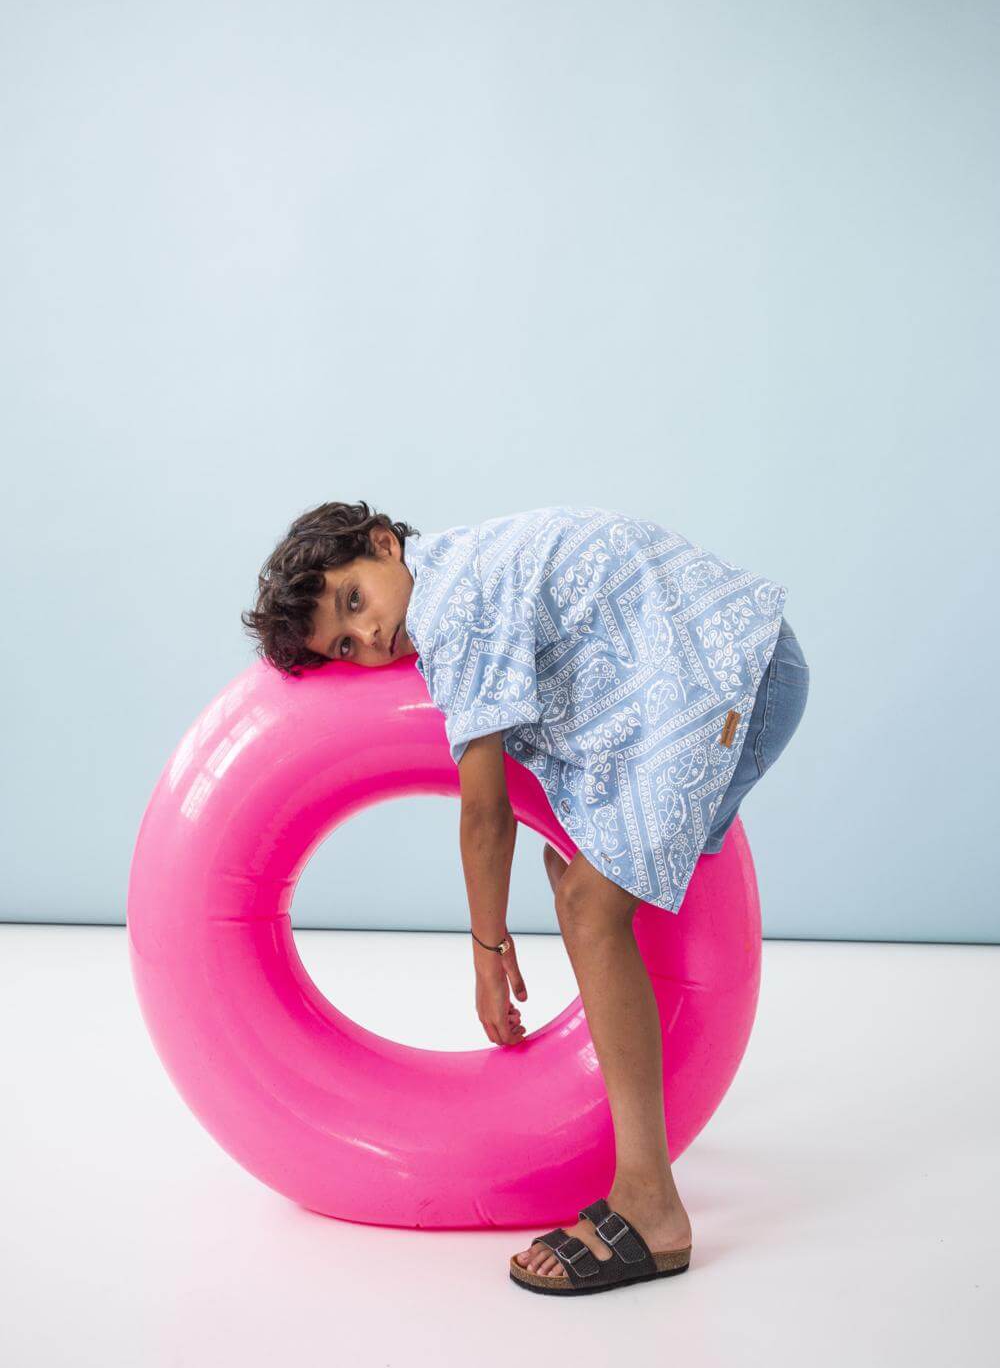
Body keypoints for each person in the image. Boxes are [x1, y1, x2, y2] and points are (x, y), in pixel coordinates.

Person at [241, 499, 810, 1287]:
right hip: (717, 663)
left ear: (383, 544)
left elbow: (486, 814)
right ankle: (641, 1158)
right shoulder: (466, 570)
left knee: (588, 909)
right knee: (578, 887)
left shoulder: (450, 608)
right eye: (344, 643)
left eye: (355, 600)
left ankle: (650, 1208)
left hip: (729, 672)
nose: (368, 636)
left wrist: (488, 949)